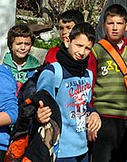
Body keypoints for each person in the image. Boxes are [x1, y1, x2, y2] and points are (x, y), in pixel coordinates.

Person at [35, 22, 101, 162]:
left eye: (87, 48)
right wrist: (39, 115)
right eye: (78, 45)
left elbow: (85, 104)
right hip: (60, 150)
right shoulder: (53, 72)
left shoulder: (88, 75)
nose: (82, 52)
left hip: (82, 149)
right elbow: (39, 105)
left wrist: (93, 113)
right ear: (67, 42)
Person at [91, 4, 127, 162]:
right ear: (103, 25)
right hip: (102, 116)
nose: (114, 28)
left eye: (119, 23)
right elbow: (89, 83)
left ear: (126, 26)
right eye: (110, 23)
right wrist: (91, 113)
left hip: (126, 117)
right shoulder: (96, 50)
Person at [46, 9, 98, 79]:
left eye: (69, 28)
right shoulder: (52, 52)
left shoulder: (86, 56)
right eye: (61, 28)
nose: (64, 32)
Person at [2, 24, 40, 91]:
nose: (23, 48)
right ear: (11, 45)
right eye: (19, 44)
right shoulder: (3, 69)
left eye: (27, 44)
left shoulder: (36, 69)